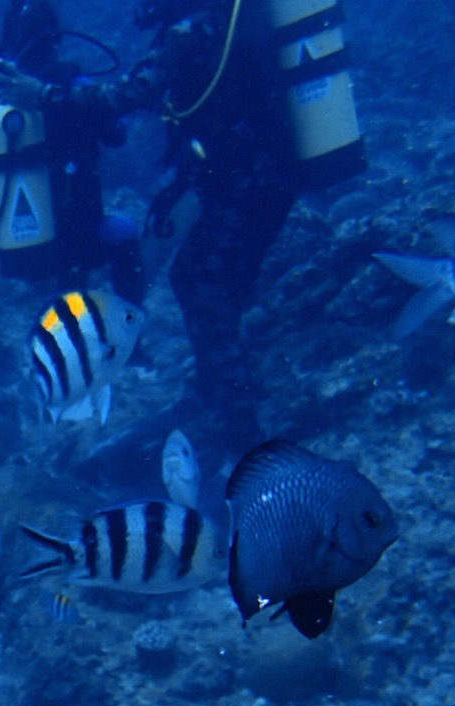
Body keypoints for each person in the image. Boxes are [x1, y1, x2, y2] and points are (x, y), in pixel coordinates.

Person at [106, 0, 306, 452]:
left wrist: (42, 95)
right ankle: (219, 391)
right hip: (262, 177)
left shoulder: (188, 31)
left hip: (250, 181)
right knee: (215, 285)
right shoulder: (218, 21)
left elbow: (126, 95)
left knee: (202, 283)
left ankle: (240, 427)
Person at [0, 0, 146, 300]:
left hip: (21, 242)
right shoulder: (73, 87)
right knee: (125, 235)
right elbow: (116, 134)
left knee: (61, 316)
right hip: (82, 236)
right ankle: (130, 333)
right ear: (55, 38)